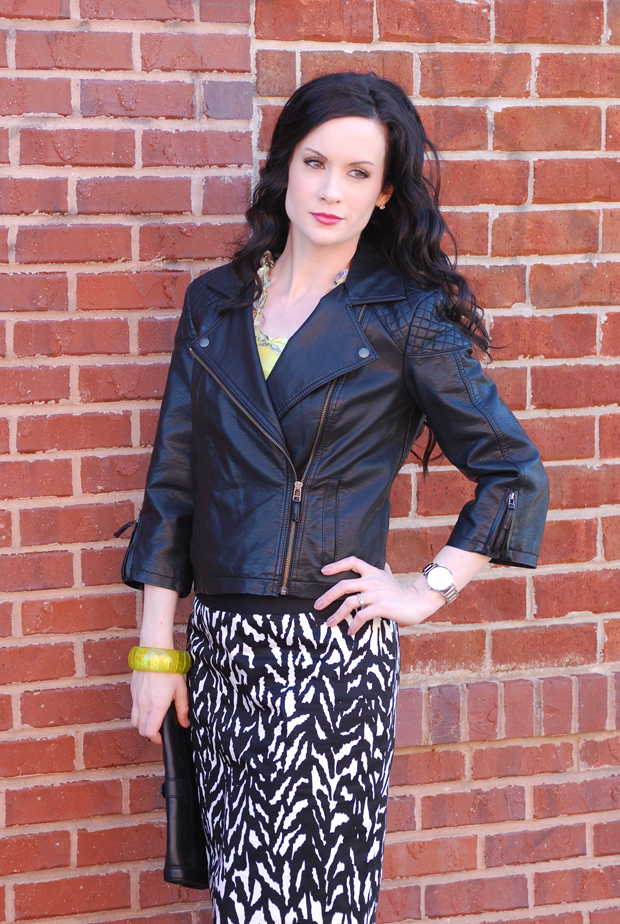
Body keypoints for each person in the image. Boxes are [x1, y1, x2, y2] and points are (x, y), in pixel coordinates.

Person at [123, 72, 549, 924]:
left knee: (309, 904)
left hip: (328, 656)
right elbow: (174, 484)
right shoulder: (216, 303)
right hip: (223, 651)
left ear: (385, 193)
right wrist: (156, 653)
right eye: (316, 162)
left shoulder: (405, 318)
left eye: (359, 173)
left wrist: (424, 589)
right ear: (285, 165)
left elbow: (514, 472)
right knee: (244, 897)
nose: (331, 190)